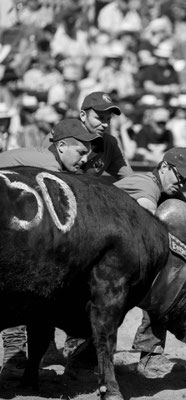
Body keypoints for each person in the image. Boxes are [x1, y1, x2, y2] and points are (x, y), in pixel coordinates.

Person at [0, 118, 100, 375]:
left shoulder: (53, 162)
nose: (85, 158)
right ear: (62, 146)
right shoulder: (48, 165)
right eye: (80, 152)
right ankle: (16, 358)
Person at [114, 147, 186, 378]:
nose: (183, 183)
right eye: (180, 176)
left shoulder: (172, 193)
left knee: (165, 282)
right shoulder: (146, 184)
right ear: (163, 167)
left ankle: (150, 356)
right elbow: (149, 220)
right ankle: (81, 357)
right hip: (105, 254)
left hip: (123, 254)